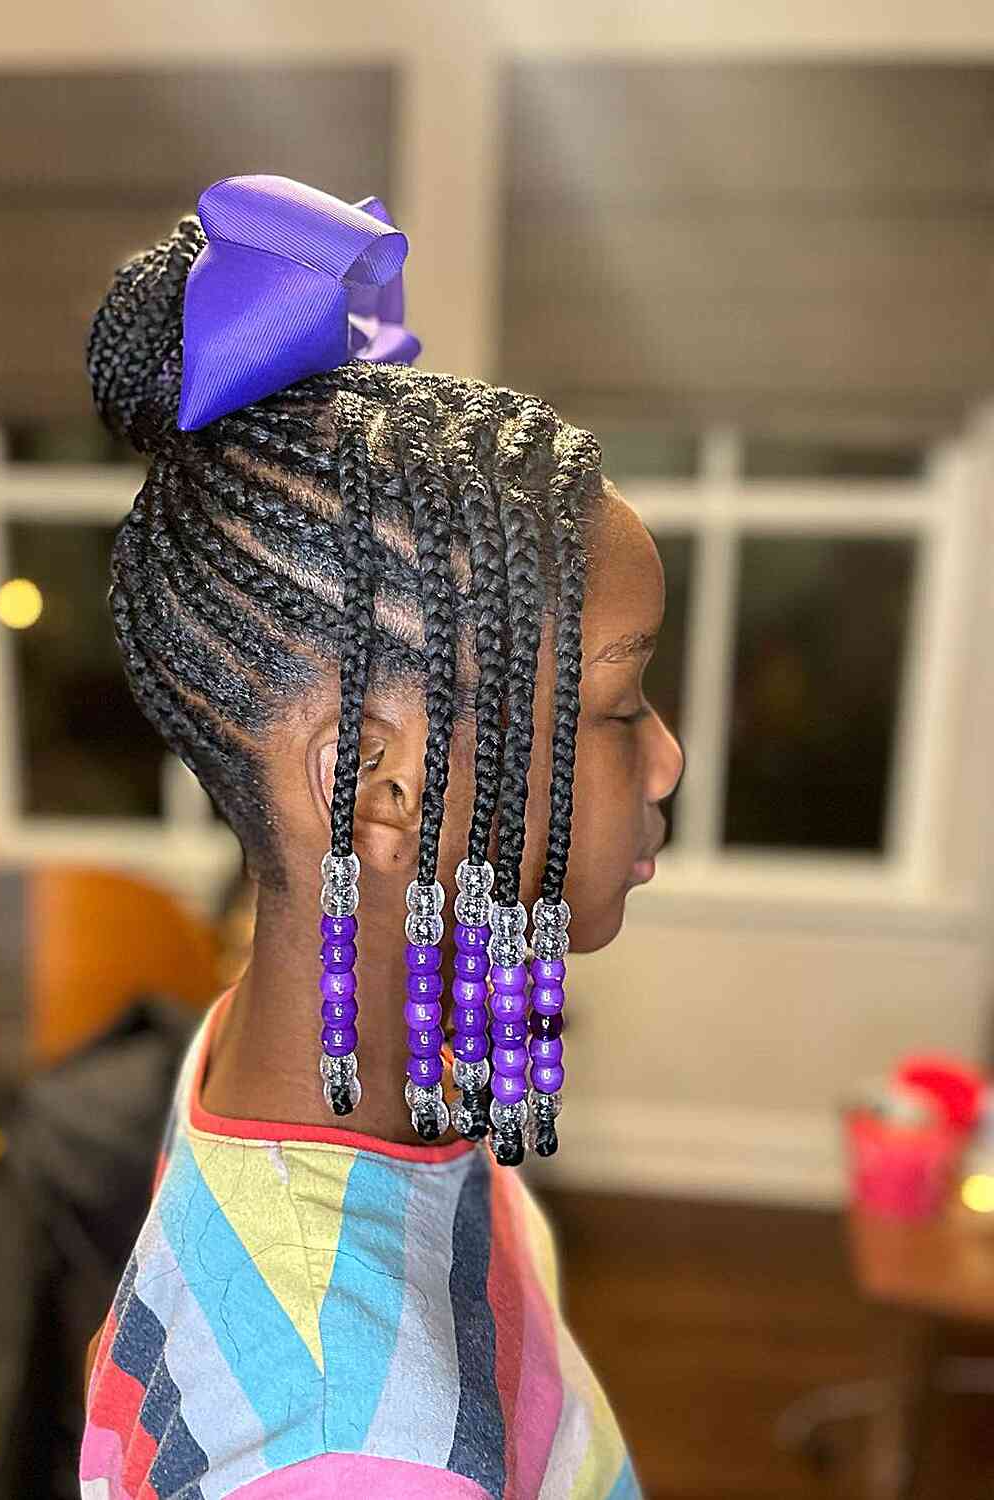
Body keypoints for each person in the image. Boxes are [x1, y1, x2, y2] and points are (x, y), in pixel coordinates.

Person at [79, 176, 682, 1500]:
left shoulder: (285, 1050)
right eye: (623, 703)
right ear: (377, 791)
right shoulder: (363, 1451)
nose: (669, 756)